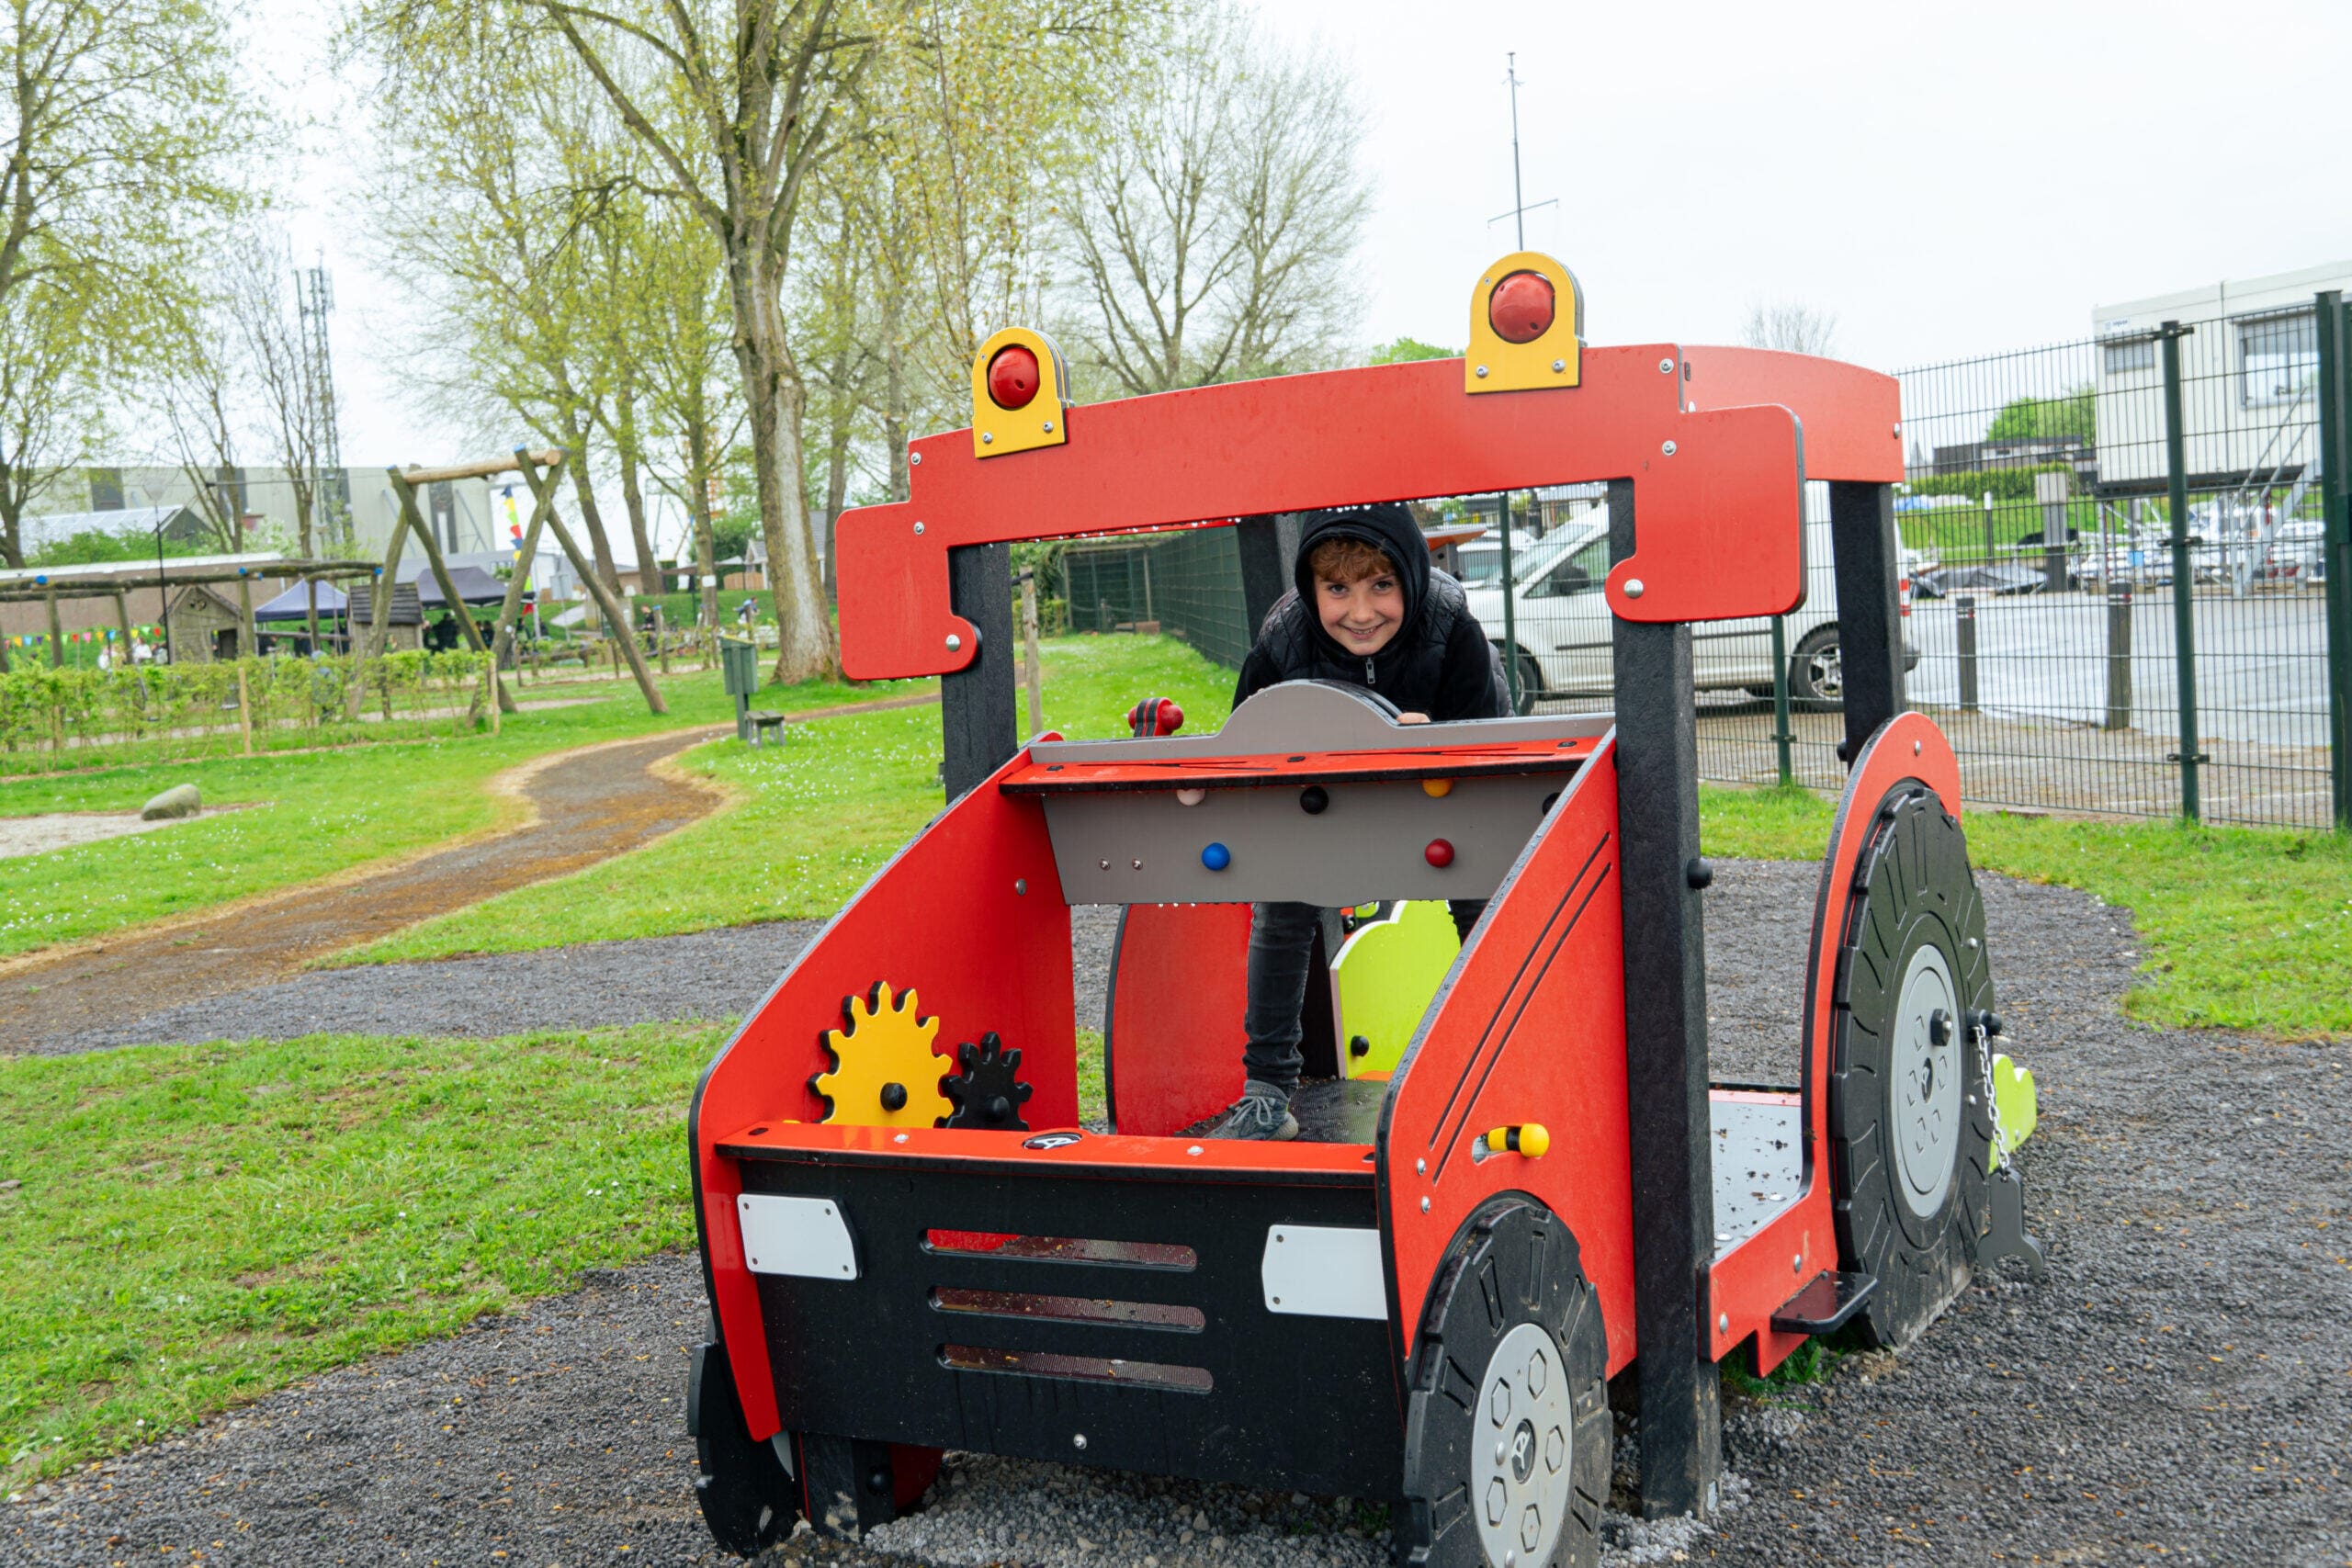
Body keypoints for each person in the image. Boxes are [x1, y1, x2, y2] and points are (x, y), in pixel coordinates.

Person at [1211, 502, 1510, 1140]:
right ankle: (1266, 1092)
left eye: (1381, 584)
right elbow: (1247, 737)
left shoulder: (1451, 626)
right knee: (1284, 901)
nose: (1361, 610)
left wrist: (1441, 741)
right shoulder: (1286, 638)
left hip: (1450, 784)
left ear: (1410, 578)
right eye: (1337, 588)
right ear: (1312, 588)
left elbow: (1492, 741)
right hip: (1327, 789)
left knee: (1481, 892)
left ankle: (1505, 1074)